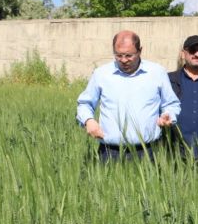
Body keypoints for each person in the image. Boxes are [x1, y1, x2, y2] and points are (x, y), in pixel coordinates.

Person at [76, 30, 180, 162]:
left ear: (140, 51)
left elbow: (171, 104)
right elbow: (85, 103)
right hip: (109, 152)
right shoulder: (101, 74)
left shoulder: (157, 72)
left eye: (129, 55)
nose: (124, 60)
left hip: (147, 152)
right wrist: (88, 121)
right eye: (118, 55)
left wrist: (169, 115)